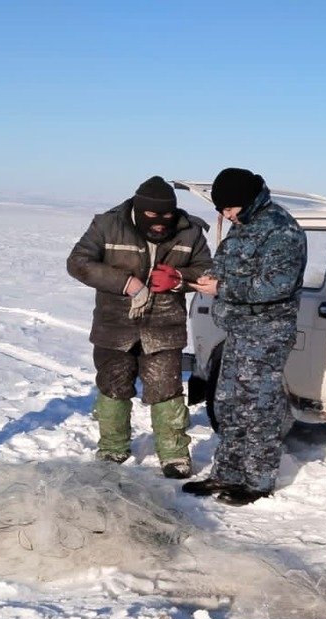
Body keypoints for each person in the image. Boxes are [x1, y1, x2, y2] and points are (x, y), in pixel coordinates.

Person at [66, 176, 213, 478]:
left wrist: (178, 279)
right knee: (113, 387)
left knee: (166, 389)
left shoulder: (191, 231)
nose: (160, 224)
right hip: (115, 326)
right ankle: (112, 448)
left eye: (167, 216)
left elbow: (206, 270)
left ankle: (174, 456)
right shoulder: (107, 225)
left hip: (164, 326)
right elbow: (78, 262)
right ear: (138, 209)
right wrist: (125, 283)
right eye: (151, 216)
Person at [183, 168, 306, 506]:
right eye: (222, 211)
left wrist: (222, 288)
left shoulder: (281, 230)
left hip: (267, 333)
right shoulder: (243, 227)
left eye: (229, 209)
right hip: (238, 330)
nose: (226, 216)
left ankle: (256, 481)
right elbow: (225, 268)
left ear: (245, 200)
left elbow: (276, 285)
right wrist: (198, 280)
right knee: (228, 405)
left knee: (258, 408)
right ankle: (228, 473)